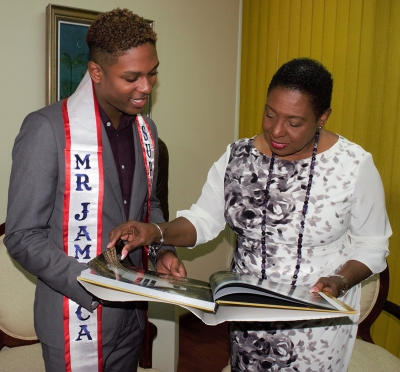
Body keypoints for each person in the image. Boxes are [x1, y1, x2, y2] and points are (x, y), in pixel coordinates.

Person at [108, 58, 391, 371]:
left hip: (316, 324)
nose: (276, 130)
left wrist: (339, 280)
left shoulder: (354, 166)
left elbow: (372, 245)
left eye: (294, 122)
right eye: (270, 114)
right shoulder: (238, 157)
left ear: (322, 117)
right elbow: (203, 220)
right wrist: (156, 232)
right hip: (247, 316)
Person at [5, 8, 186, 372]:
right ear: (97, 72)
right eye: (132, 77)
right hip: (75, 313)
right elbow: (23, 236)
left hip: (132, 316)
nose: (147, 87)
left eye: (152, 74)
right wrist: (91, 283)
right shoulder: (47, 130)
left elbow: (149, 206)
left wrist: (162, 248)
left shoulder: (146, 132)